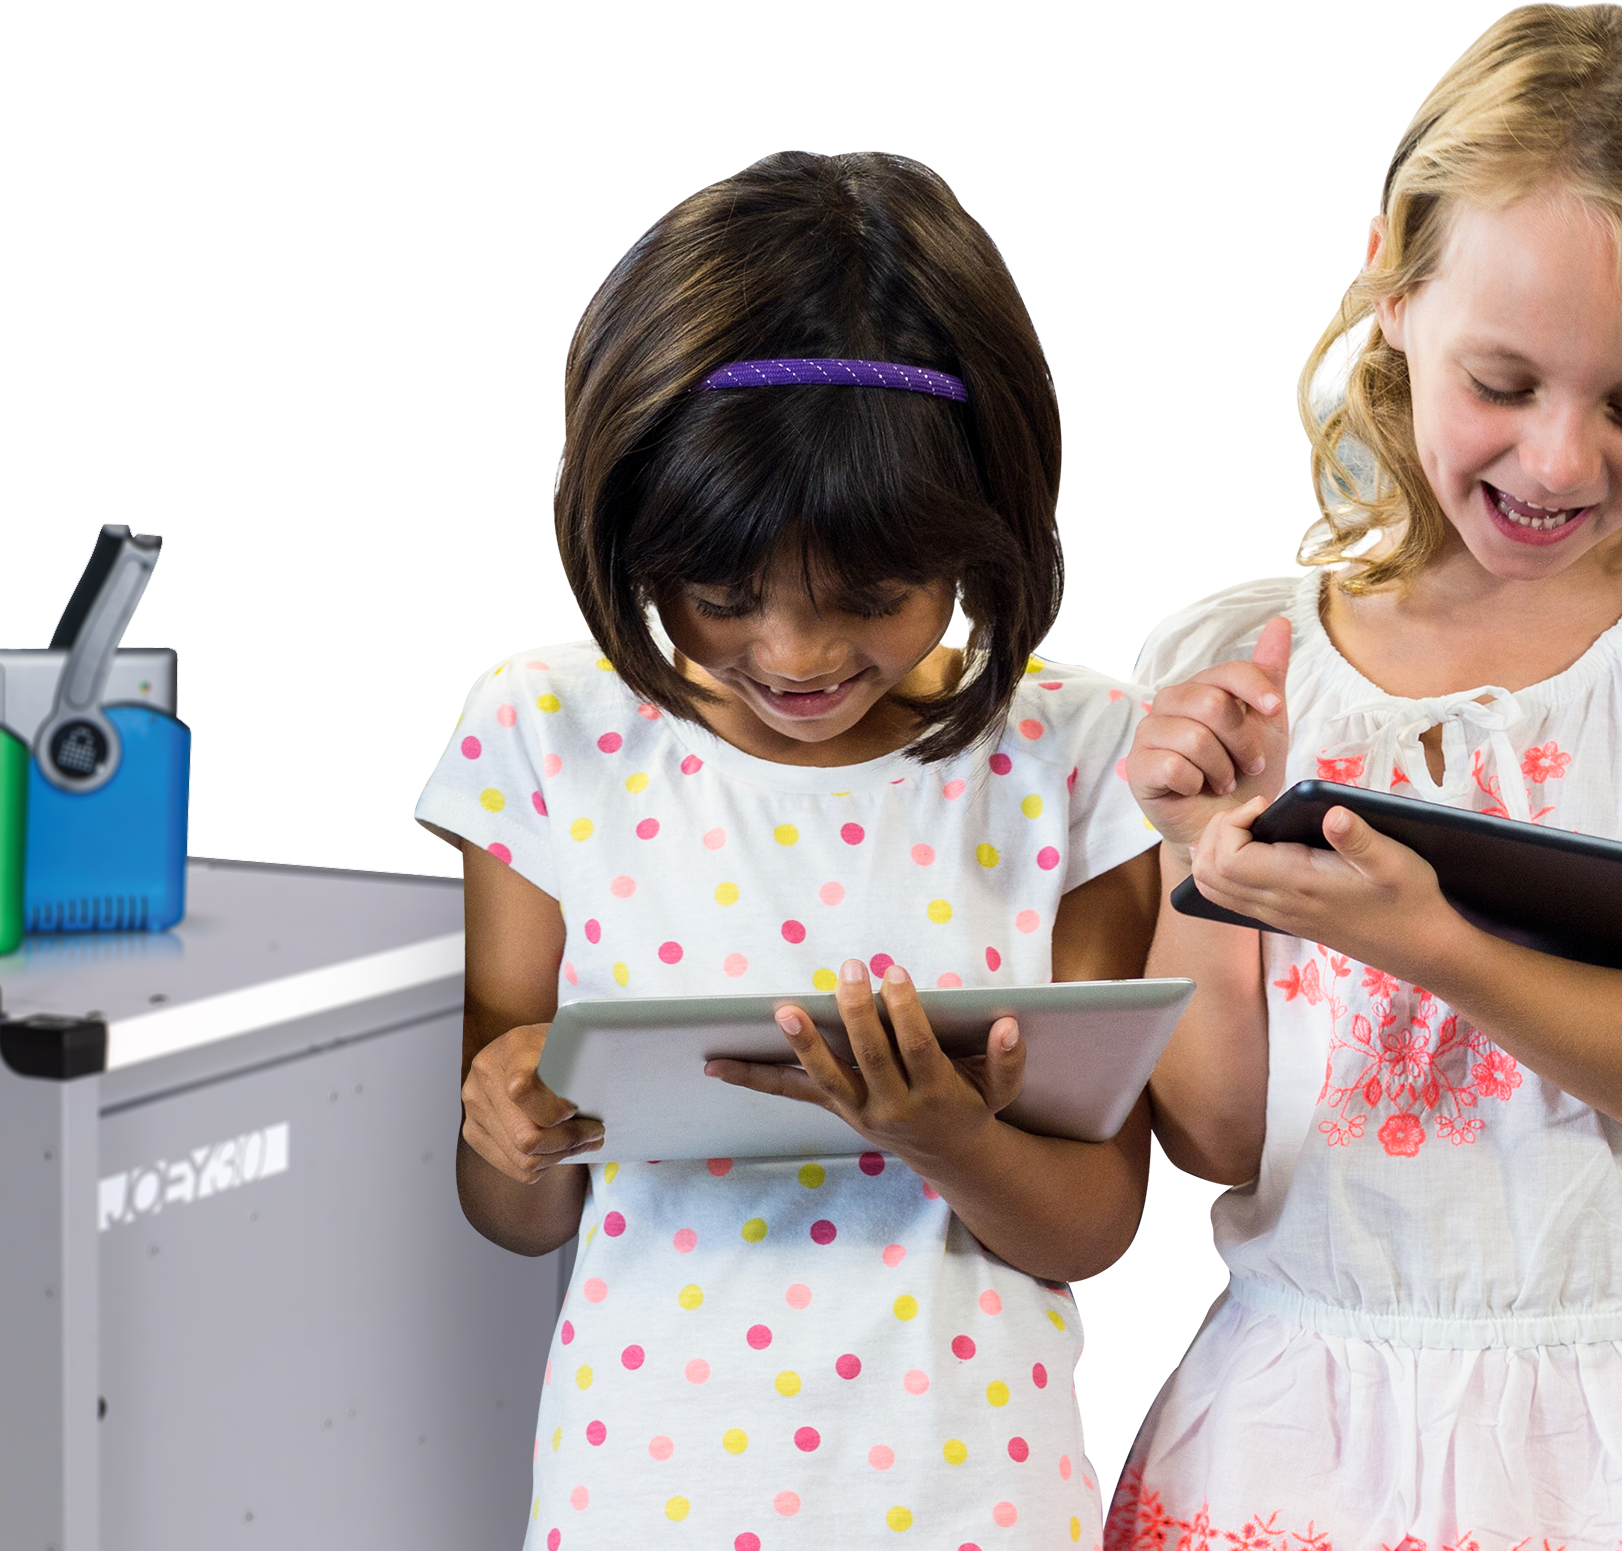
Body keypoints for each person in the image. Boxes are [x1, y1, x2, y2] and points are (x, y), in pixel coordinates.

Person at [1105, 6, 1622, 1544]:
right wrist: (1205, 853)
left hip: (1618, 1426)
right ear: (1390, 287)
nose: (1561, 460)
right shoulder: (1236, 651)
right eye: (1502, 382)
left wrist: (1417, 932)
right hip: (1289, 1410)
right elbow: (1209, 1134)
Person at [414, 149, 1163, 1551]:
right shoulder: (546, 726)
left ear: (985, 531)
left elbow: (1092, 1226)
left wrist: (938, 1133)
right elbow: (514, 1216)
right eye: (718, 593)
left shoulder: (1075, 752)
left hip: (969, 1493)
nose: (798, 654)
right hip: (644, 1489)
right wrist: (507, 1124)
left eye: (872, 595)